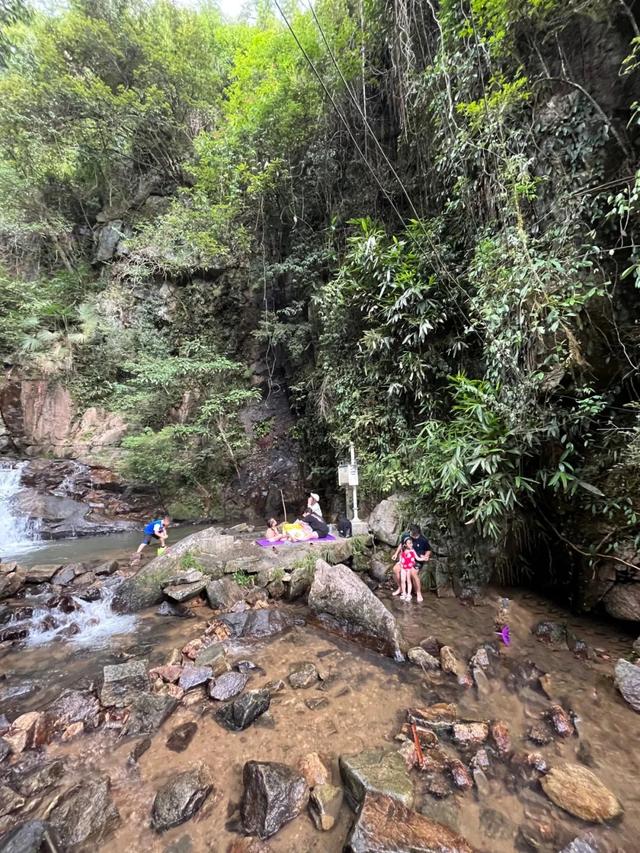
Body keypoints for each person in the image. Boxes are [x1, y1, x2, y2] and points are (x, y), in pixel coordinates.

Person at [391, 524, 432, 603]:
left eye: (412, 533)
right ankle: (400, 588)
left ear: (417, 532)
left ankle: (418, 592)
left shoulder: (423, 540)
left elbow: (428, 550)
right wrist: (396, 554)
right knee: (395, 569)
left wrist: (426, 556)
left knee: (413, 573)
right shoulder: (406, 535)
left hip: (416, 560)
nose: (410, 534)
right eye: (410, 532)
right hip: (406, 559)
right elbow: (401, 544)